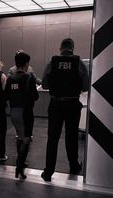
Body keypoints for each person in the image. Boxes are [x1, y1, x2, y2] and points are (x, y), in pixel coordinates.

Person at [41, 38, 89, 182]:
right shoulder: (79, 63)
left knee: (53, 138)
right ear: (72, 48)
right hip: (73, 104)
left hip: (55, 104)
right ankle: (74, 166)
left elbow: (44, 85)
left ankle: (48, 172)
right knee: (71, 136)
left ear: (60, 48)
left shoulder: (51, 63)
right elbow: (86, 87)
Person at [5, 52, 39, 179]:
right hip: (26, 113)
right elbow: (35, 96)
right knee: (26, 139)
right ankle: (19, 167)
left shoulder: (10, 79)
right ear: (26, 64)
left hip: (14, 112)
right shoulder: (28, 78)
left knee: (20, 137)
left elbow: (5, 96)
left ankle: (20, 167)